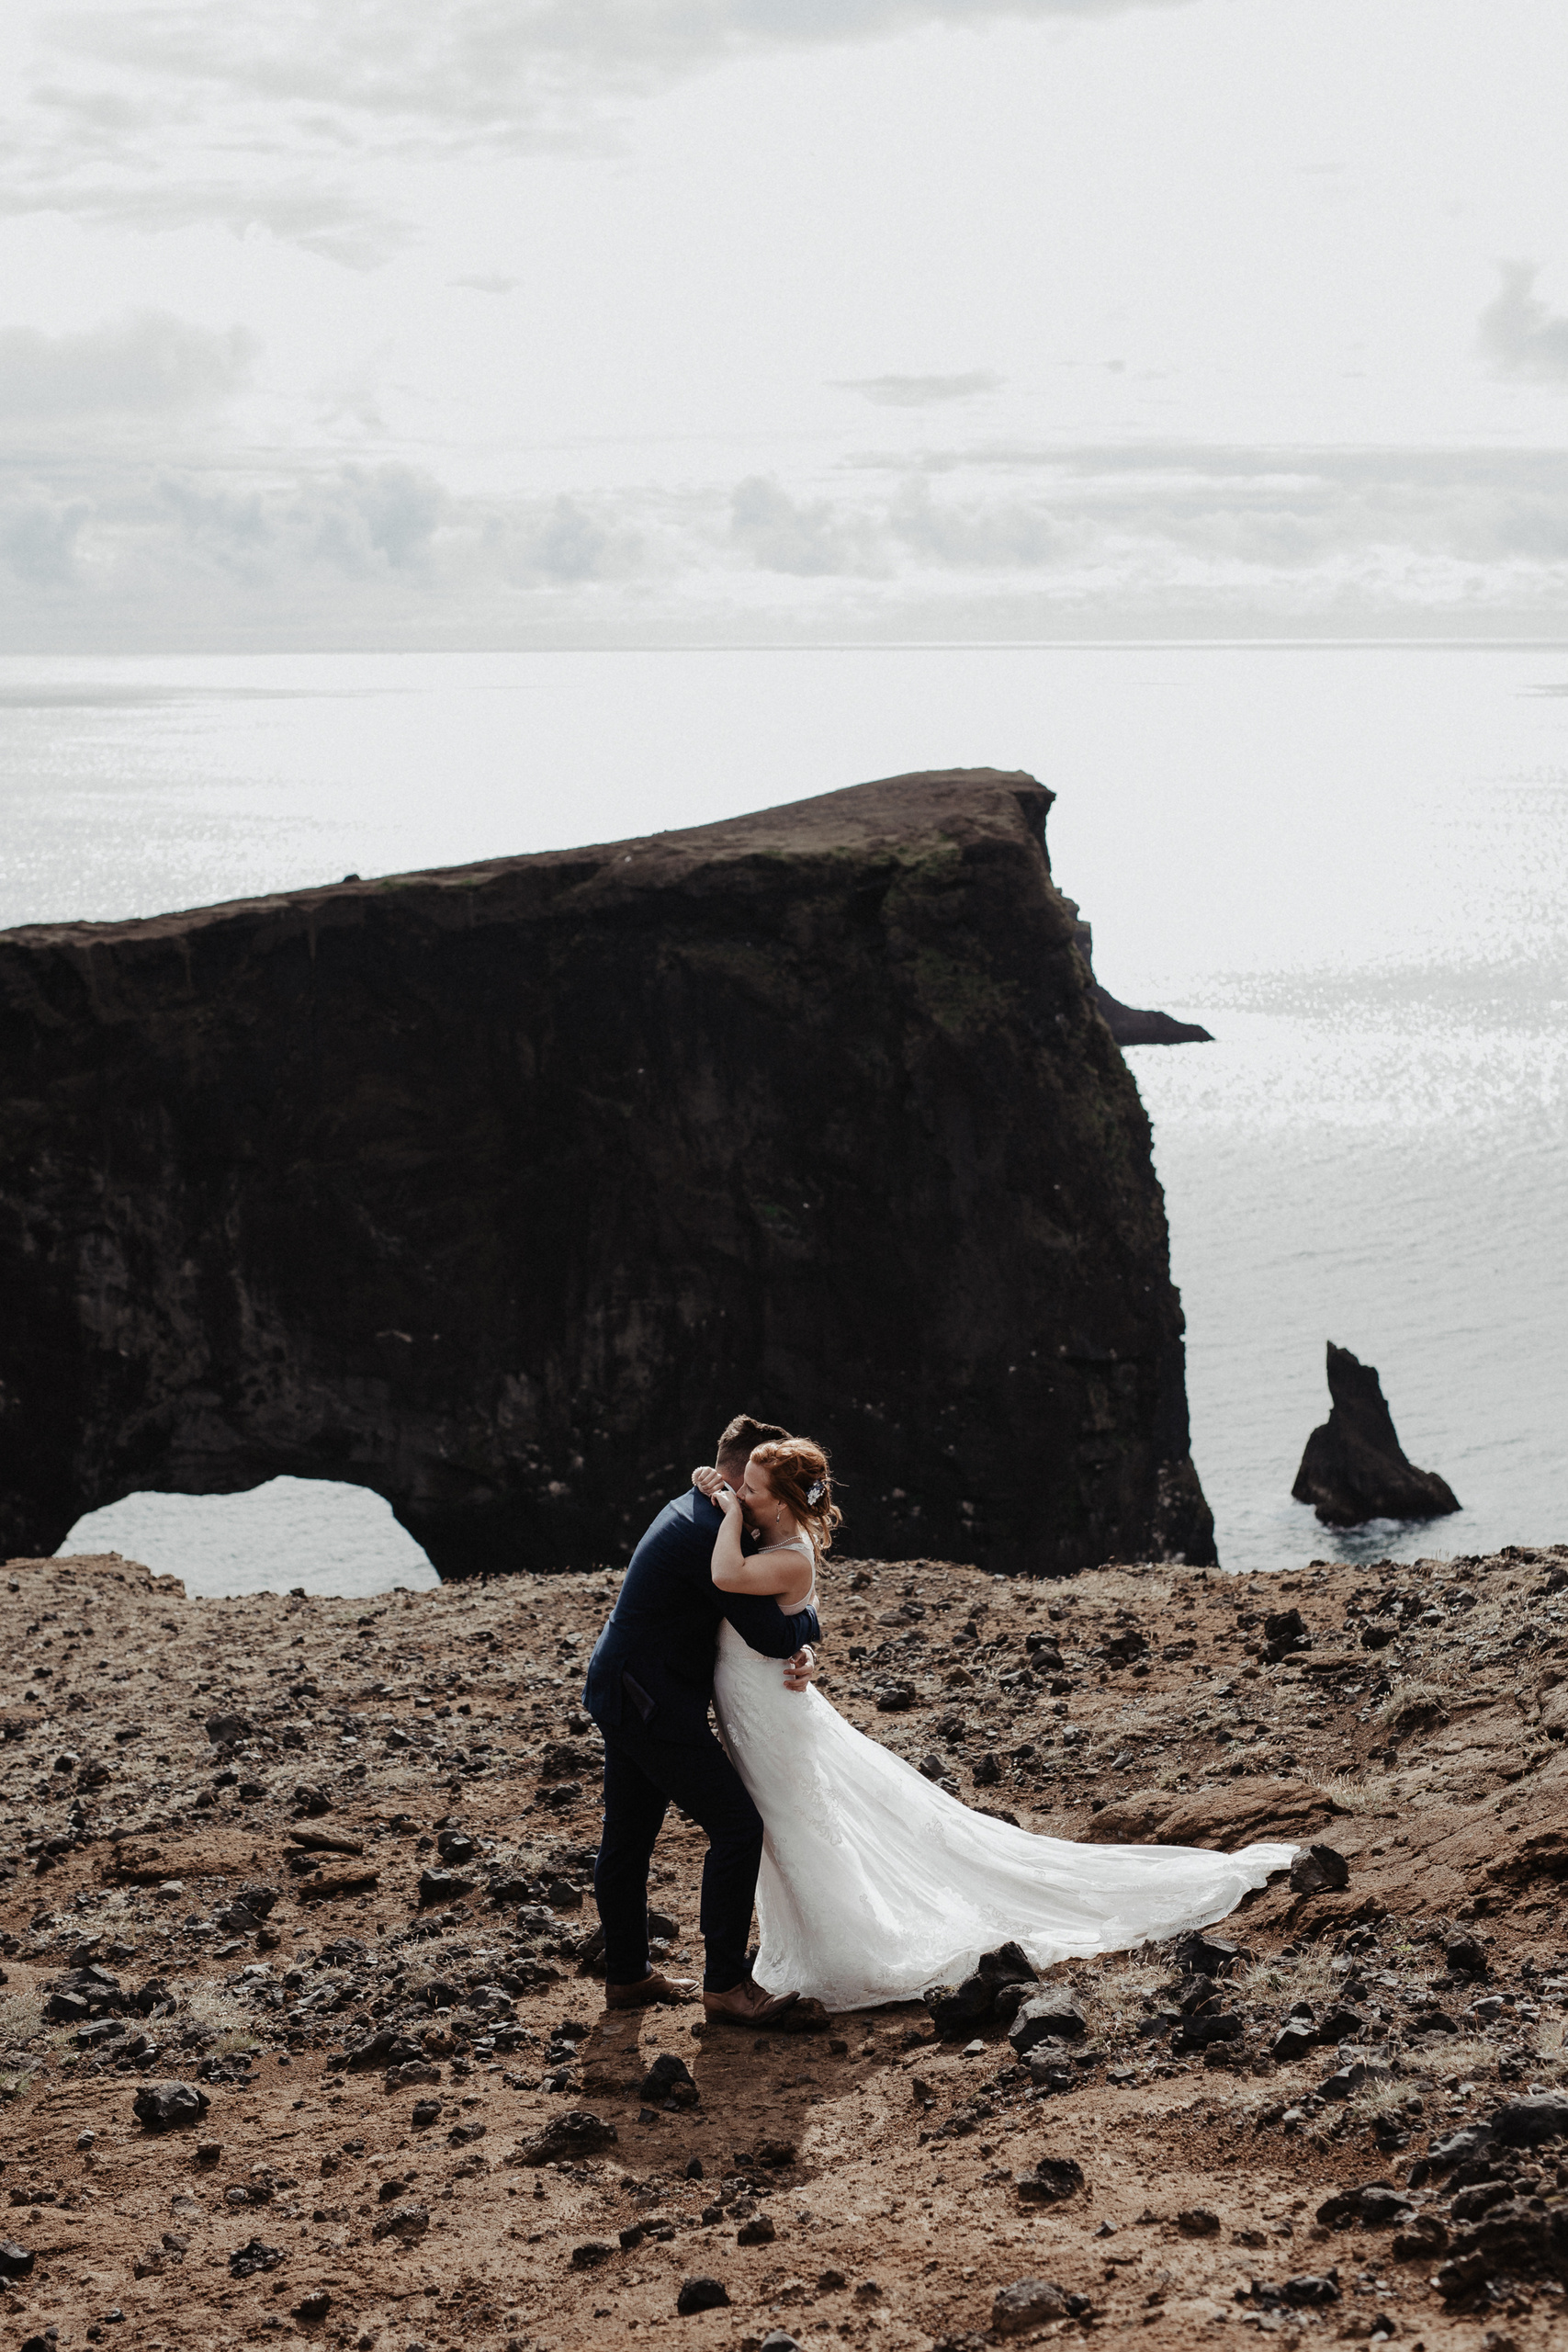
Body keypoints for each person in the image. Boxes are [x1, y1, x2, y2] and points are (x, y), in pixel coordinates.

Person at [694, 1438, 1298, 2014]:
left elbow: (726, 1576)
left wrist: (722, 1512)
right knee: (793, 1824)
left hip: (770, 1713)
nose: (739, 1493)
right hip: (762, 1705)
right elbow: (790, 1605)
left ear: (778, 1502)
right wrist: (718, 1492)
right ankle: (821, 1935)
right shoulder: (775, 1530)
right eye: (740, 1488)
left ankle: (846, 1945)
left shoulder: (779, 1548)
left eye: (749, 1488)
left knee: (799, 1823)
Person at [582, 1415, 820, 2024]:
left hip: (625, 1687)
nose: (751, 1500)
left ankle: (629, 1976)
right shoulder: (712, 1533)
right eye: (755, 1487)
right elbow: (768, 1633)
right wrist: (809, 1629)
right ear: (740, 1479)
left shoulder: (695, 1509)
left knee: (628, 1838)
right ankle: (726, 1986)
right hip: (649, 1702)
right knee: (737, 1828)